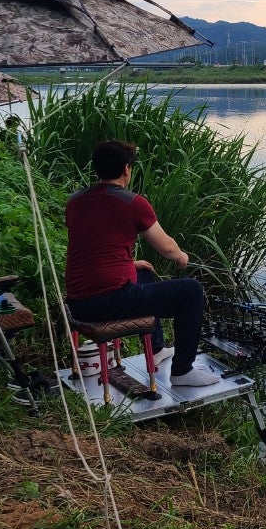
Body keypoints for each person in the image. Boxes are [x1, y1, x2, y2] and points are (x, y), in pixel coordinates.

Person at [64, 139, 219, 387]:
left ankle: (157, 349)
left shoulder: (75, 201)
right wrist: (180, 256)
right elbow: (166, 247)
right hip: (108, 301)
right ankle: (182, 371)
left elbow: (93, 245)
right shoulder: (133, 202)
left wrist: (130, 263)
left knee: (144, 274)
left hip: (78, 302)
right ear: (127, 169)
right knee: (191, 291)